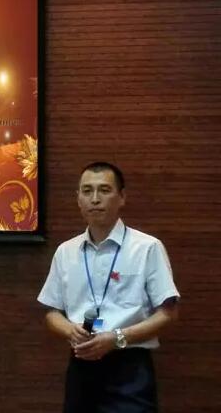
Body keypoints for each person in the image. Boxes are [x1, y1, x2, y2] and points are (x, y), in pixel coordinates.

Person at [37, 162, 180, 413]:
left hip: (129, 367)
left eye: (104, 190)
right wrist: (71, 330)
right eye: (87, 191)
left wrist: (116, 339)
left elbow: (168, 314)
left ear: (122, 197)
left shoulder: (147, 248)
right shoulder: (66, 252)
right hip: (81, 365)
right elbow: (51, 312)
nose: (95, 199)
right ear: (78, 199)